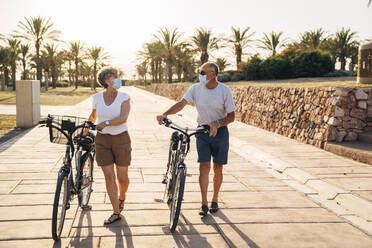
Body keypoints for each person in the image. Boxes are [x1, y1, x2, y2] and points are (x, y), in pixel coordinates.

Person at [156, 62, 235, 216]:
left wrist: (218, 123)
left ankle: (215, 199)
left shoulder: (224, 91)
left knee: (218, 167)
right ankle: (204, 202)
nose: (200, 75)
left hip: (220, 133)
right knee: (204, 166)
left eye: (202, 72)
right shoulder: (196, 88)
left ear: (212, 74)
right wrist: (165, 113)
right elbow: (181, 104)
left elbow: (232, 116)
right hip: (202, 132)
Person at [84, 66, 131, 224]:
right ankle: (116, 211)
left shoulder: (124, 97)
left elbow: (123, 117)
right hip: (102, 140)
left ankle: (122, 197)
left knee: (122, 178)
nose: (118, 79)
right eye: (114, 77)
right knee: (109, 176)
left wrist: (107, 123)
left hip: (121, 139)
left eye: (118, 76)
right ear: (106, 81)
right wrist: (84, 131)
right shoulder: (96, 97)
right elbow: (93, 115)